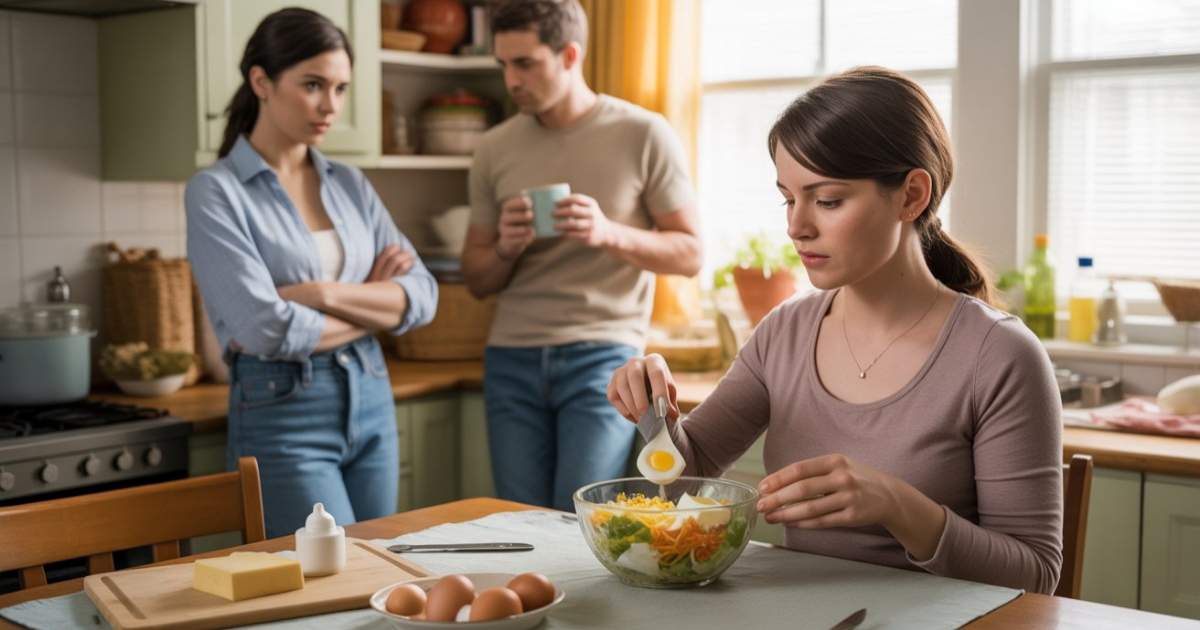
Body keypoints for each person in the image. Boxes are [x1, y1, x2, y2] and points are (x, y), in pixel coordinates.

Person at [607, 66, 1064, 594]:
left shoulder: (1000, 356)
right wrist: (653, 409)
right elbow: (687, 471)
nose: (796, 226)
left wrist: (897, 504)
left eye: (826, 200)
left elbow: (1035, 577)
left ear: (912, 195)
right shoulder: (786, 331)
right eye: (788, 198)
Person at [186, 8, 437, 538]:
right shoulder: (216, 191)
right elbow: (266, 329)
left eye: (341, 88)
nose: (331, 106)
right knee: (328, 588)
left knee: (381, 570)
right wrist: (373, 303)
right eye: (314, 85)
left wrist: (321, 293)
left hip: (371, 396)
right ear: (261, 80)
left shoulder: (349, 182)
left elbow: (422, 297)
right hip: (282, 412)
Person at [461, 0, 702, 512]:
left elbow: (690, 253)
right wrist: (504, 247)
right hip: (511, 356)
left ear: (569, 55)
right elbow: (477, 279)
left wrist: (608, 232)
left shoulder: (643, 133)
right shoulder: (493, 148)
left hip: (602, 356)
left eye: (525, 63)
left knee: (581, 517)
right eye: (503, 64)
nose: (511, 80)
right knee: (519, 523)